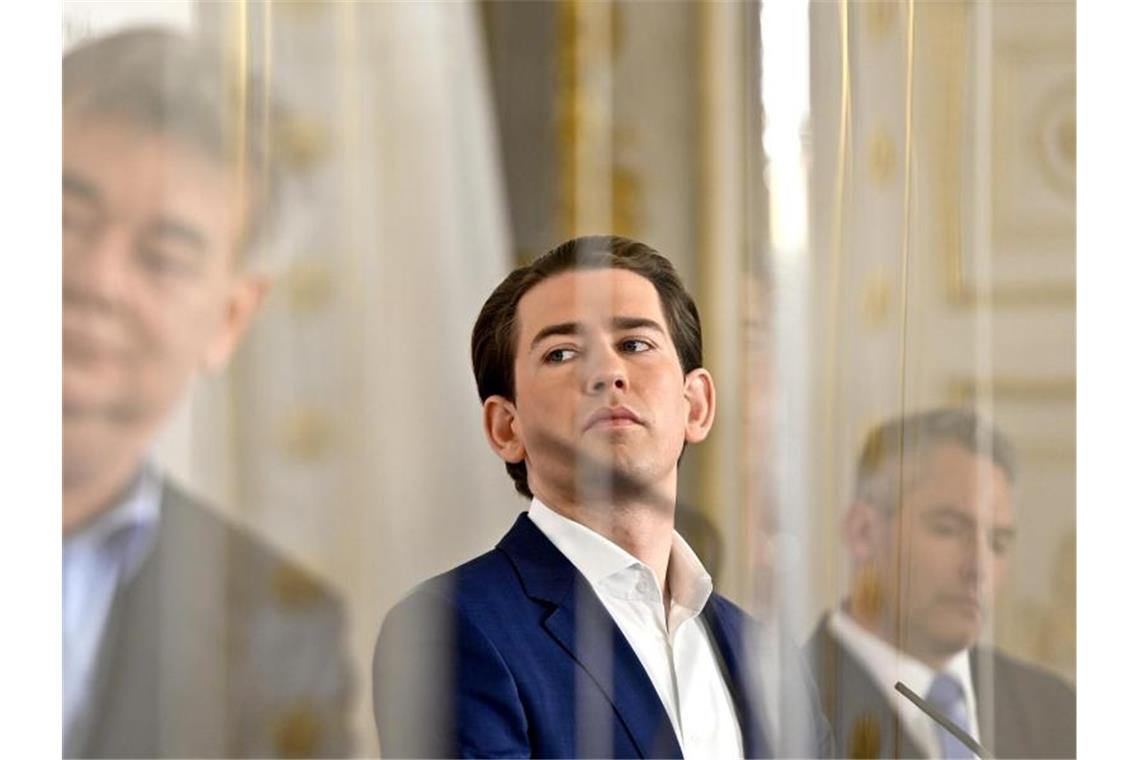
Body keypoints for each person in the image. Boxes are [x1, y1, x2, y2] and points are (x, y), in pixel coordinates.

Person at [372, 235, 831, 758]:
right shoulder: (446, 630)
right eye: (561, 353)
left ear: (696, 405)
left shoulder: (768, 659)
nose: (607, 373)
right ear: (506, 428)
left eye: (635, 344)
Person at [63, 27, 350, 757]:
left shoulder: (284, 631)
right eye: (64, 219)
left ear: (229, 319)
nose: (96, 279)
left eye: (162, 255)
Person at [805, 408, 1075, 758]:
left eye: (998, 542)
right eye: (947, 529)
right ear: (863, 532)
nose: (978, 567)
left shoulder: (1054, 709)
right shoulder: (783, 708)